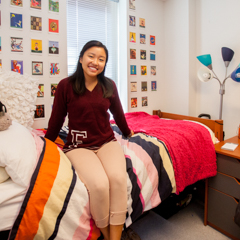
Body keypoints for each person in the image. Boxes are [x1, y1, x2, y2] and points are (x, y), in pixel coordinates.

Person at [45, 40, 135, 240]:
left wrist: (127, 132)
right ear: (81, 58)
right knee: (99, 184)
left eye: (101, 59)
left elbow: (118, 114)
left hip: (106, 141)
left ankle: (116, 237)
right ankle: (107, 234)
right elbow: (57, 119)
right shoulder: (65, 86)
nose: (96, 62)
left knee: (118, 179)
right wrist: (47, 143)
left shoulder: (109, 85)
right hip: (78, 146)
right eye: (91, 56)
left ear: (104, 64)